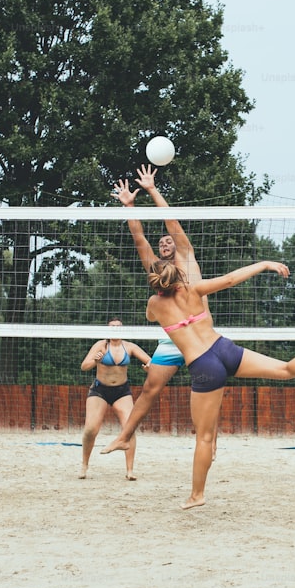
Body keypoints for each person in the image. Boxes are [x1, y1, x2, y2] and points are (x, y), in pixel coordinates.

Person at [145, 258, 295, 509]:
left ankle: (197, 495)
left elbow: (152, 315)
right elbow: (230, 279)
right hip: (223, 348)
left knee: (205, 438)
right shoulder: (194, 290)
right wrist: (264, 264)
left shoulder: (154, 304)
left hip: (202, 364)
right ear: (178, 276)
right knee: (284, 369)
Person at [101, 165, 207, 456]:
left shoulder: (187, 261)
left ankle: (208, 443)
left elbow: (172, 223)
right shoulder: (156, 270)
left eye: (168, 241)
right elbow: (139, 239)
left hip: (199, 336)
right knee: (150, 389)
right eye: (161, 242)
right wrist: (130, 206)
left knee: (203, 393)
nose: (164, 243)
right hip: (173, 339)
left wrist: (151, 189)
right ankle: (125, 436)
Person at [78, 318, 152, 480]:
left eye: (118, 327)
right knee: (91, 429)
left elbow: (151, 363)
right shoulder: (100, 345)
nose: (115, 330)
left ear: (123, 329)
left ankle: (130, 471)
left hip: (121, 392)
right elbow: (84, 366)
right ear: (107, 330)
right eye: (112, 327)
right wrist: (95, 360)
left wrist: (149, 368)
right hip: (99, 391)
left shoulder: (130, 347)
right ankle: (84, 465)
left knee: (129, 428)